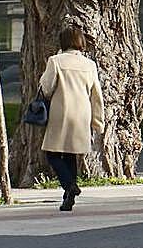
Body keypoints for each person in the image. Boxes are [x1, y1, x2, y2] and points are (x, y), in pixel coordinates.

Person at [39, 26, 104, 212]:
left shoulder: (56, 61)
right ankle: (68, 198)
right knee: (70, 155)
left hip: (61, 113)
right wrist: (98, 121)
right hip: (82, 114)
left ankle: (70, 185)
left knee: (52, 153)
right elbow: (96, 95)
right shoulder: (89, 65)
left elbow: (47, 88)